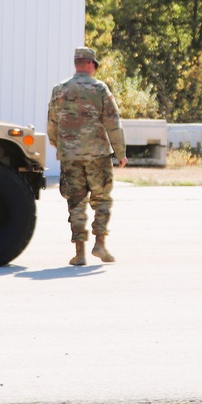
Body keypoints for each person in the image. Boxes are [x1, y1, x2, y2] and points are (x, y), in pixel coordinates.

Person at [47, 47, 127, 266]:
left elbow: (52, 123)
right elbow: (113, 122)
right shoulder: (100, 89)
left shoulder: (59, 90)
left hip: (70, 156)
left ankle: (80, 252)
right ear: (91, 65)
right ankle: (100, 244)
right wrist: (121, 153)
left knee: (76, 202)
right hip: (97, 155)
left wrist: (60, 145)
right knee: (101, 199)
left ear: (76, 64)